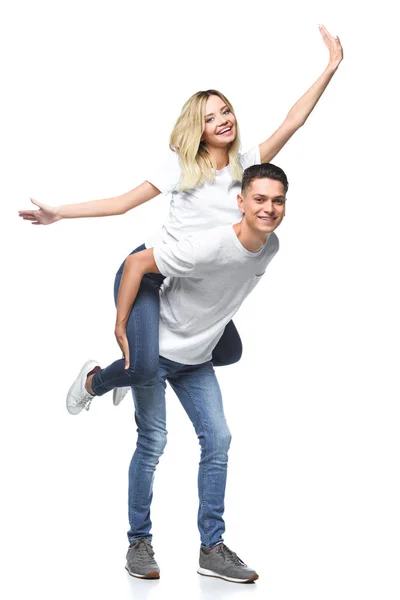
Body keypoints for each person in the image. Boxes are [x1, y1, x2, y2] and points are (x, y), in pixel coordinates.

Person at [19, 25, 343, 400]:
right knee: (143, 367)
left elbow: (293, 121)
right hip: (148, 272)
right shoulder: (182, 165)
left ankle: (141, 364)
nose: (223, 120)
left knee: (228, 351)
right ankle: (96, 381)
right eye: (209, 118)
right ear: (198, 129)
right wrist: (59, 212)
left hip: (191, 280)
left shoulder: (247, 165)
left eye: (225, 111)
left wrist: (331, 65)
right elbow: (123, 203)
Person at [67, 163, 287, 582]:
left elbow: (224, 295)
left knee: (218, 438)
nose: (269, 208)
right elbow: (136, 266)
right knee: (153, 442)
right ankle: (138, 541)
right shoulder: (206, 245)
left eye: (277, 201)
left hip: (196, 358)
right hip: (159, 346)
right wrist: (123, 326)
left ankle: (212, 549)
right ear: (240, 202)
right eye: (260, 199)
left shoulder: (271, 246)